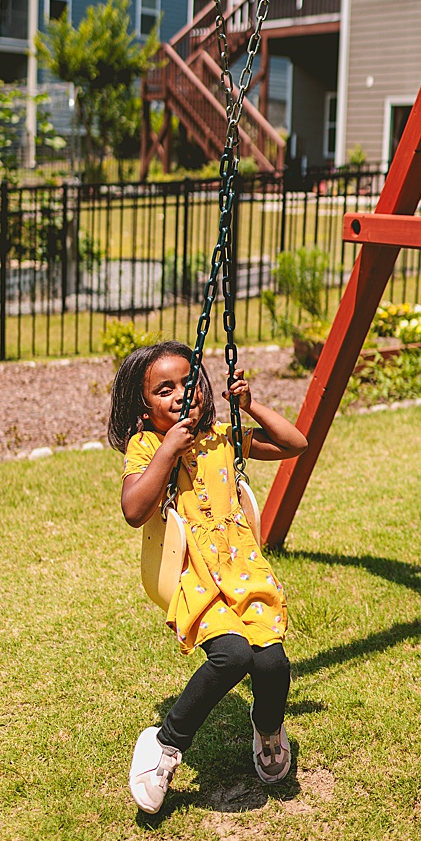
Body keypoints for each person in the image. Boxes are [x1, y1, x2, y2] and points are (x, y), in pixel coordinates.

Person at [109, 340, 308, 814]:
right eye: (165, 389)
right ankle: (166, 743)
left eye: (189, 382)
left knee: (272, 664)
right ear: (144, 405)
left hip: (243, 570)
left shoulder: (224, 435)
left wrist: (250, 405)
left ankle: (267, 732)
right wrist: (169, 450)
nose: (181, 394)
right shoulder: (147, 446)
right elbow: (134, 510)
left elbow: (294, 443)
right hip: (195, 575)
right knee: (231, 655)